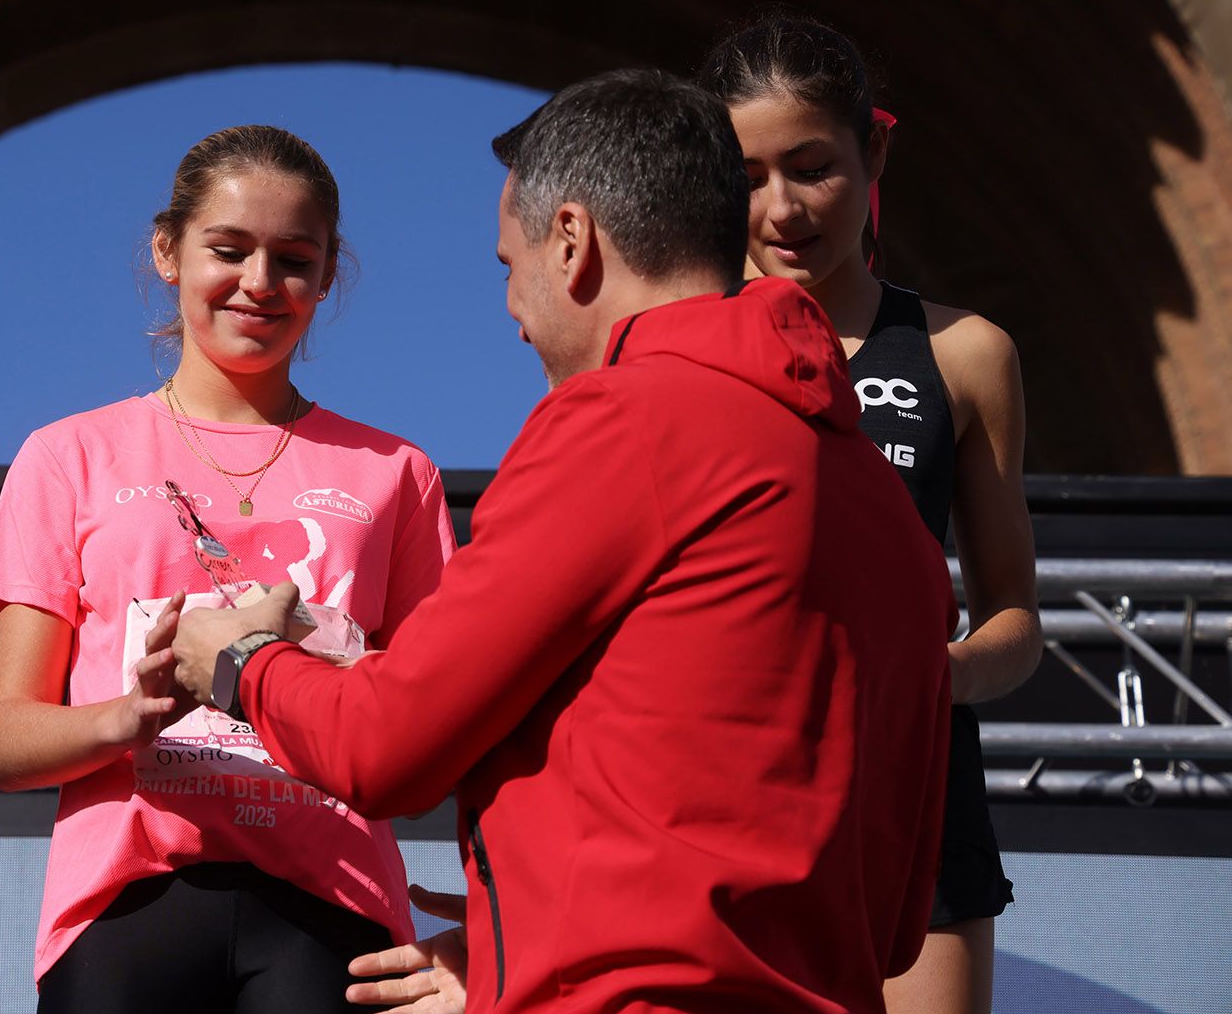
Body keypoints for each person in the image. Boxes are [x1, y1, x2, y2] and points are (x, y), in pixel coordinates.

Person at [165, 70, 957, 1014]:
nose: (513, 312)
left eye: (510, 264)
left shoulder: (624, 421)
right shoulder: (883, 504)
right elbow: (896, 917)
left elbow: (383, 744)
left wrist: (242, 660)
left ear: (573, 242)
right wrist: (537, 928)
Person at [0, 124, 457, 1012]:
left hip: (333, 905)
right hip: (125, 903)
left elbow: (434, 725)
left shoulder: (397, 472)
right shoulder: (67, 456)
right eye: (228, 250)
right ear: (168, 251)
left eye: (294, 259)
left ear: (329, 274)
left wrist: (334, 675)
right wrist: (130, 715)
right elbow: (4, 740)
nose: (260, 283)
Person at [697, 15, 1043, 1014]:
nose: (783, 208)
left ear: (875, 153)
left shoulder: (965, 353)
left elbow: (1016, 615)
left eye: (813, 168)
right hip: (725, 794)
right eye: (748, 176)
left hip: (913, 791)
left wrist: (941, 676)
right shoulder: (666, 346)